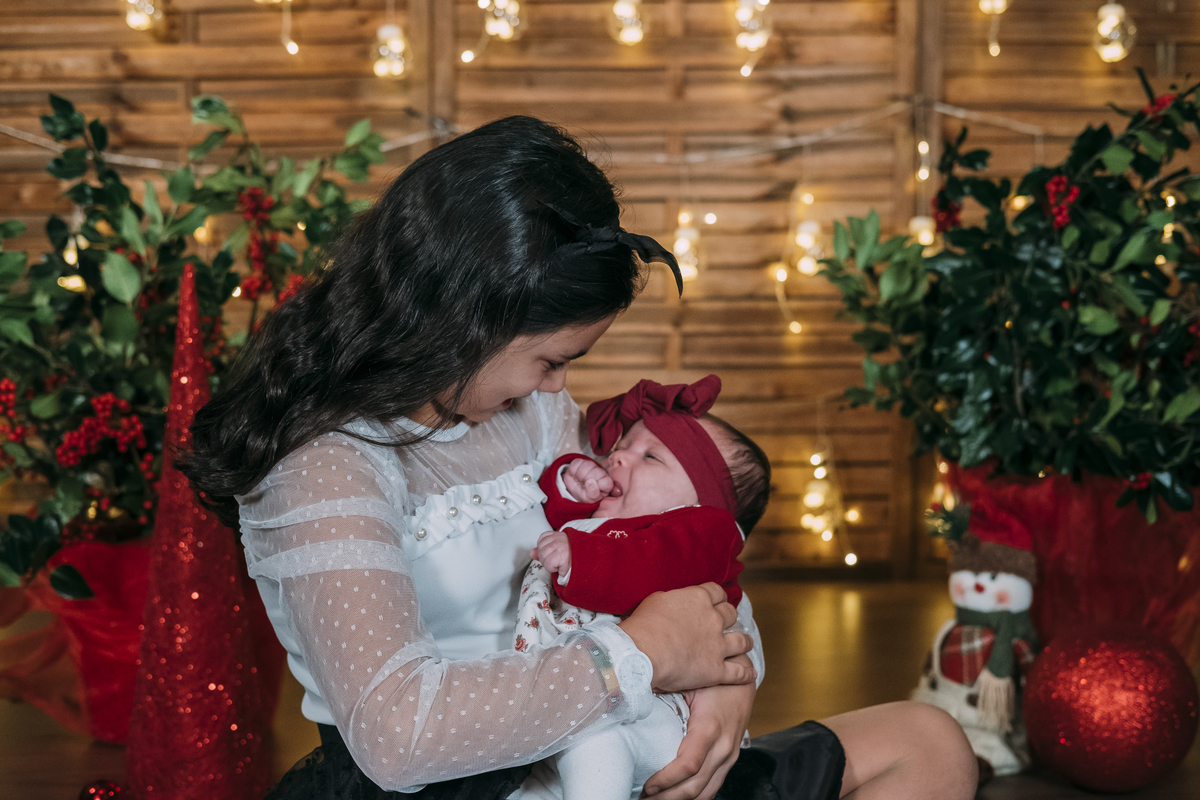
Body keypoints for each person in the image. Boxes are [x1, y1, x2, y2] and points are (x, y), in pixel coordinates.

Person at [179, 115, 979, 800]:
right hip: (460, 782)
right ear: (461, 322)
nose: (562, 387)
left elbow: (665, 541)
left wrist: (730, 680)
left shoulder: (526, 410)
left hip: (610, 740)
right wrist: (638, 657)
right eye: (553, 358)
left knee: (929, 743)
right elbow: (399, 734)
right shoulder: (326, 463)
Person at [513, 375, 771, 800]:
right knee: (548, 778)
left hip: (650, 712)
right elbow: (560, 523)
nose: (616, 459)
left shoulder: (701, 535)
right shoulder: (613, 526)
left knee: (595, 745)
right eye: (620, 447)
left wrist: (584, 558)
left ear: (700, 504)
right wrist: (570, 488)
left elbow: (648, 562)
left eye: (650, 457)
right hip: (576, 698)